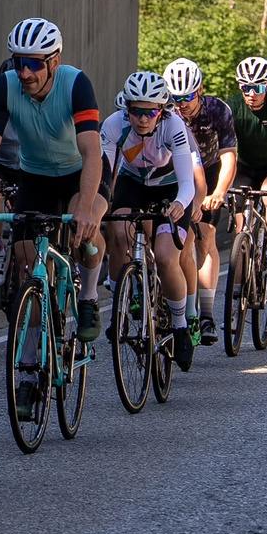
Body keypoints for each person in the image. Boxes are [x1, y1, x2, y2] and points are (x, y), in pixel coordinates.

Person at [0, 18, 106, 412]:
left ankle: (90, 296)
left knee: (89, 234)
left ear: (54, 60)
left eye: (34, 63)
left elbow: (93, 152)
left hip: (80, 170)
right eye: (18, 62)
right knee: (30, 263)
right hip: (37, 176)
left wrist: (83, 206)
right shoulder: (7, 85)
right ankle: (30, 370)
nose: (25, 72)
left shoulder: (75, 83)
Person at [98, 69, 202, 366]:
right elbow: (108, 174)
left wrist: (181, 204)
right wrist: (102, 205)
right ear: (126, 109)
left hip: (168, 186)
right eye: (137, 111)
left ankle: (181, 326)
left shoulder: (174, 125)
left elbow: (187, 183)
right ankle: (120, 304)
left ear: (162, 110)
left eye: (151, 111)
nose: (144, 119)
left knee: (167, 257)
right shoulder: (114, 125)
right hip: (132, 184)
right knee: (117, 232)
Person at [165, 58, 236, 337]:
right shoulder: (166, 113)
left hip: (209, 168)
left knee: (204, 236)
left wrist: (219, 192)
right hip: (175, 173)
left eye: (188, 97)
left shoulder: (218, 110)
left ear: (201, 90)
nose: (181, 103)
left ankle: (205, 314)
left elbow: (229, 156)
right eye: (176, 98)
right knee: (175, 242)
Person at [231, 56, 267, 282]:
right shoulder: (233, 106)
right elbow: (223, 148)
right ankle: (238, 290)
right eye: (246, 87)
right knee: (240, 233)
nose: (251, 94)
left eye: (258, 87)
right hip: (245, 167)